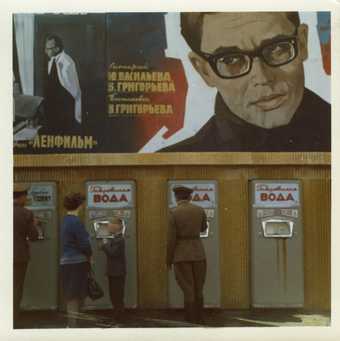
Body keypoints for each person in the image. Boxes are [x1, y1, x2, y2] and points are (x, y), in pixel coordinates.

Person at [161, 12, 331, 152]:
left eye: (278, 49)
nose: (263, 78)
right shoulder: (168, 166)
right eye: (230, 60)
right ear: (204, 71)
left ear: (302, 43)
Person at [167, 186, 208, 324]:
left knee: (187, 288)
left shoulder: (173, 212)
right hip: (198, 252)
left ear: (176, 197)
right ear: (190, 197)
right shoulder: (199, 210)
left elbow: (171, 239)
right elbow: (203, 228)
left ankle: (190, 319)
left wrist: (169, 259)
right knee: (198, 287)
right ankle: (200, 317)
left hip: (181, 254)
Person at [60, 192, 92, 328]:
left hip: (65, 261)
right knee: (76, 293)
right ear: (80, 205)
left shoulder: (65, 221)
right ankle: (73, 324)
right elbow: (84, 244)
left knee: (70, 292)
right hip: (77, 262)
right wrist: (90, 256)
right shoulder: (76, 222)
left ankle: (72, 323)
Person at [13, 183, 41, 328]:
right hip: (19, 257)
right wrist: (35, 224)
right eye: (26, 196)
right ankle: (13, 320)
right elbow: (34, 236)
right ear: (22, 197)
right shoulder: (26, 213)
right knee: (16, 287)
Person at [43, 34, 82, 134]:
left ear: (57, 48)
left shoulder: (68, 62)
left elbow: (74, 89)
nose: (46, 51)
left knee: (63, 131)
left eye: (49, 48)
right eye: (46, 48)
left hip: (64, 107)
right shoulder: (51, 61)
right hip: (52, 106)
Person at [99, 217, 127, 322]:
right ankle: (118, 316)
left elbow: (113, 253)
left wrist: (105, 244)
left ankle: (119, 317)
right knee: (114, 295)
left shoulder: (119, 239)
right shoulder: (116, 238)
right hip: (114, 272)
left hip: (117, 272)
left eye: (110, 224)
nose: (108, 226)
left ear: (117, 226)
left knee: (117, 296)